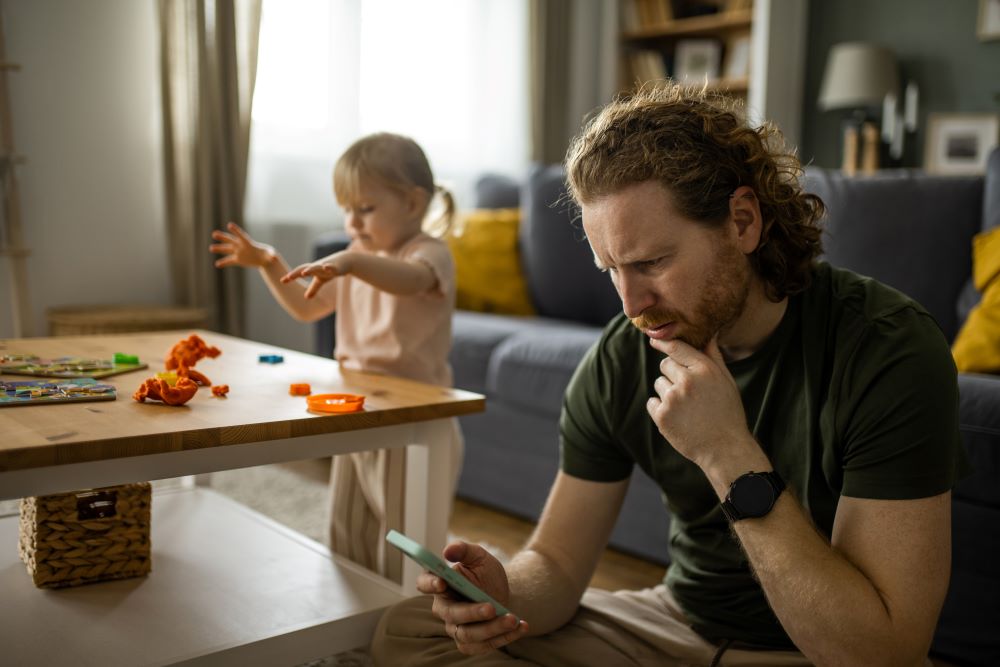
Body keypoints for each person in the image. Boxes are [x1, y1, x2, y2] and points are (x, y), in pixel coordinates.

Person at [369, 83, 966, 665]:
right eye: (611, 270)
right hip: (671, 627)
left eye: (652, 262)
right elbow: (556, 562)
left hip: (810, 651)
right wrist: (503, 592)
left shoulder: (887, 348)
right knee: (412, 632)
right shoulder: (626, 353)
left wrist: (728, 453)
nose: (631, 305)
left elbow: (883, 652)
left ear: (742, 222)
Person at [209, 132, 461, 584]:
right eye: (347, 209)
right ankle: (354, 616)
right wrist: (269, 262)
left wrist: (350, 262)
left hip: (414, 420)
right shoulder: (358, 258)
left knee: (406, 541)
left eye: (365, 208)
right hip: (358, 410)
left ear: (412, 202)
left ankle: (412, 619)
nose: (352, 222)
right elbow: (306, 308)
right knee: (348, 531)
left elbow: (408, 281)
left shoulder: (427, 254)